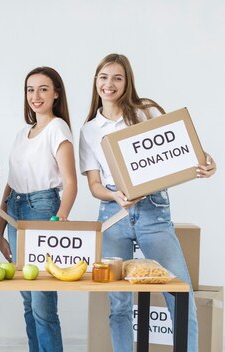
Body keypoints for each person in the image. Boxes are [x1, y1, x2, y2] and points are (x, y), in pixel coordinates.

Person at [79, 53, 217, 352]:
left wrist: (207, 162)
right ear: (95, 81)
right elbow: (94, 185)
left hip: (153, 211)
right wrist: (115, 195)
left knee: (180, 295)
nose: (109, 84)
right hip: (113, 215)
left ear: (127, 82)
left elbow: (184, 151)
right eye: (104, 77)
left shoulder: (146, 111)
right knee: (119, 303)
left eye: (117, 77)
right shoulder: (89, 130)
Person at [0, 66, 76, 352]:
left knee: (43, 304)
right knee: (28, 301)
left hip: (43, 209)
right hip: (15, 210)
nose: (36, 95)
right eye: (30, 89)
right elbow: (10, 183)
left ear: (56, 94)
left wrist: (59, 221)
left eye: (43, 89)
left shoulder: (58, 128)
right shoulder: (21, 134)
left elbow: (70, 183)